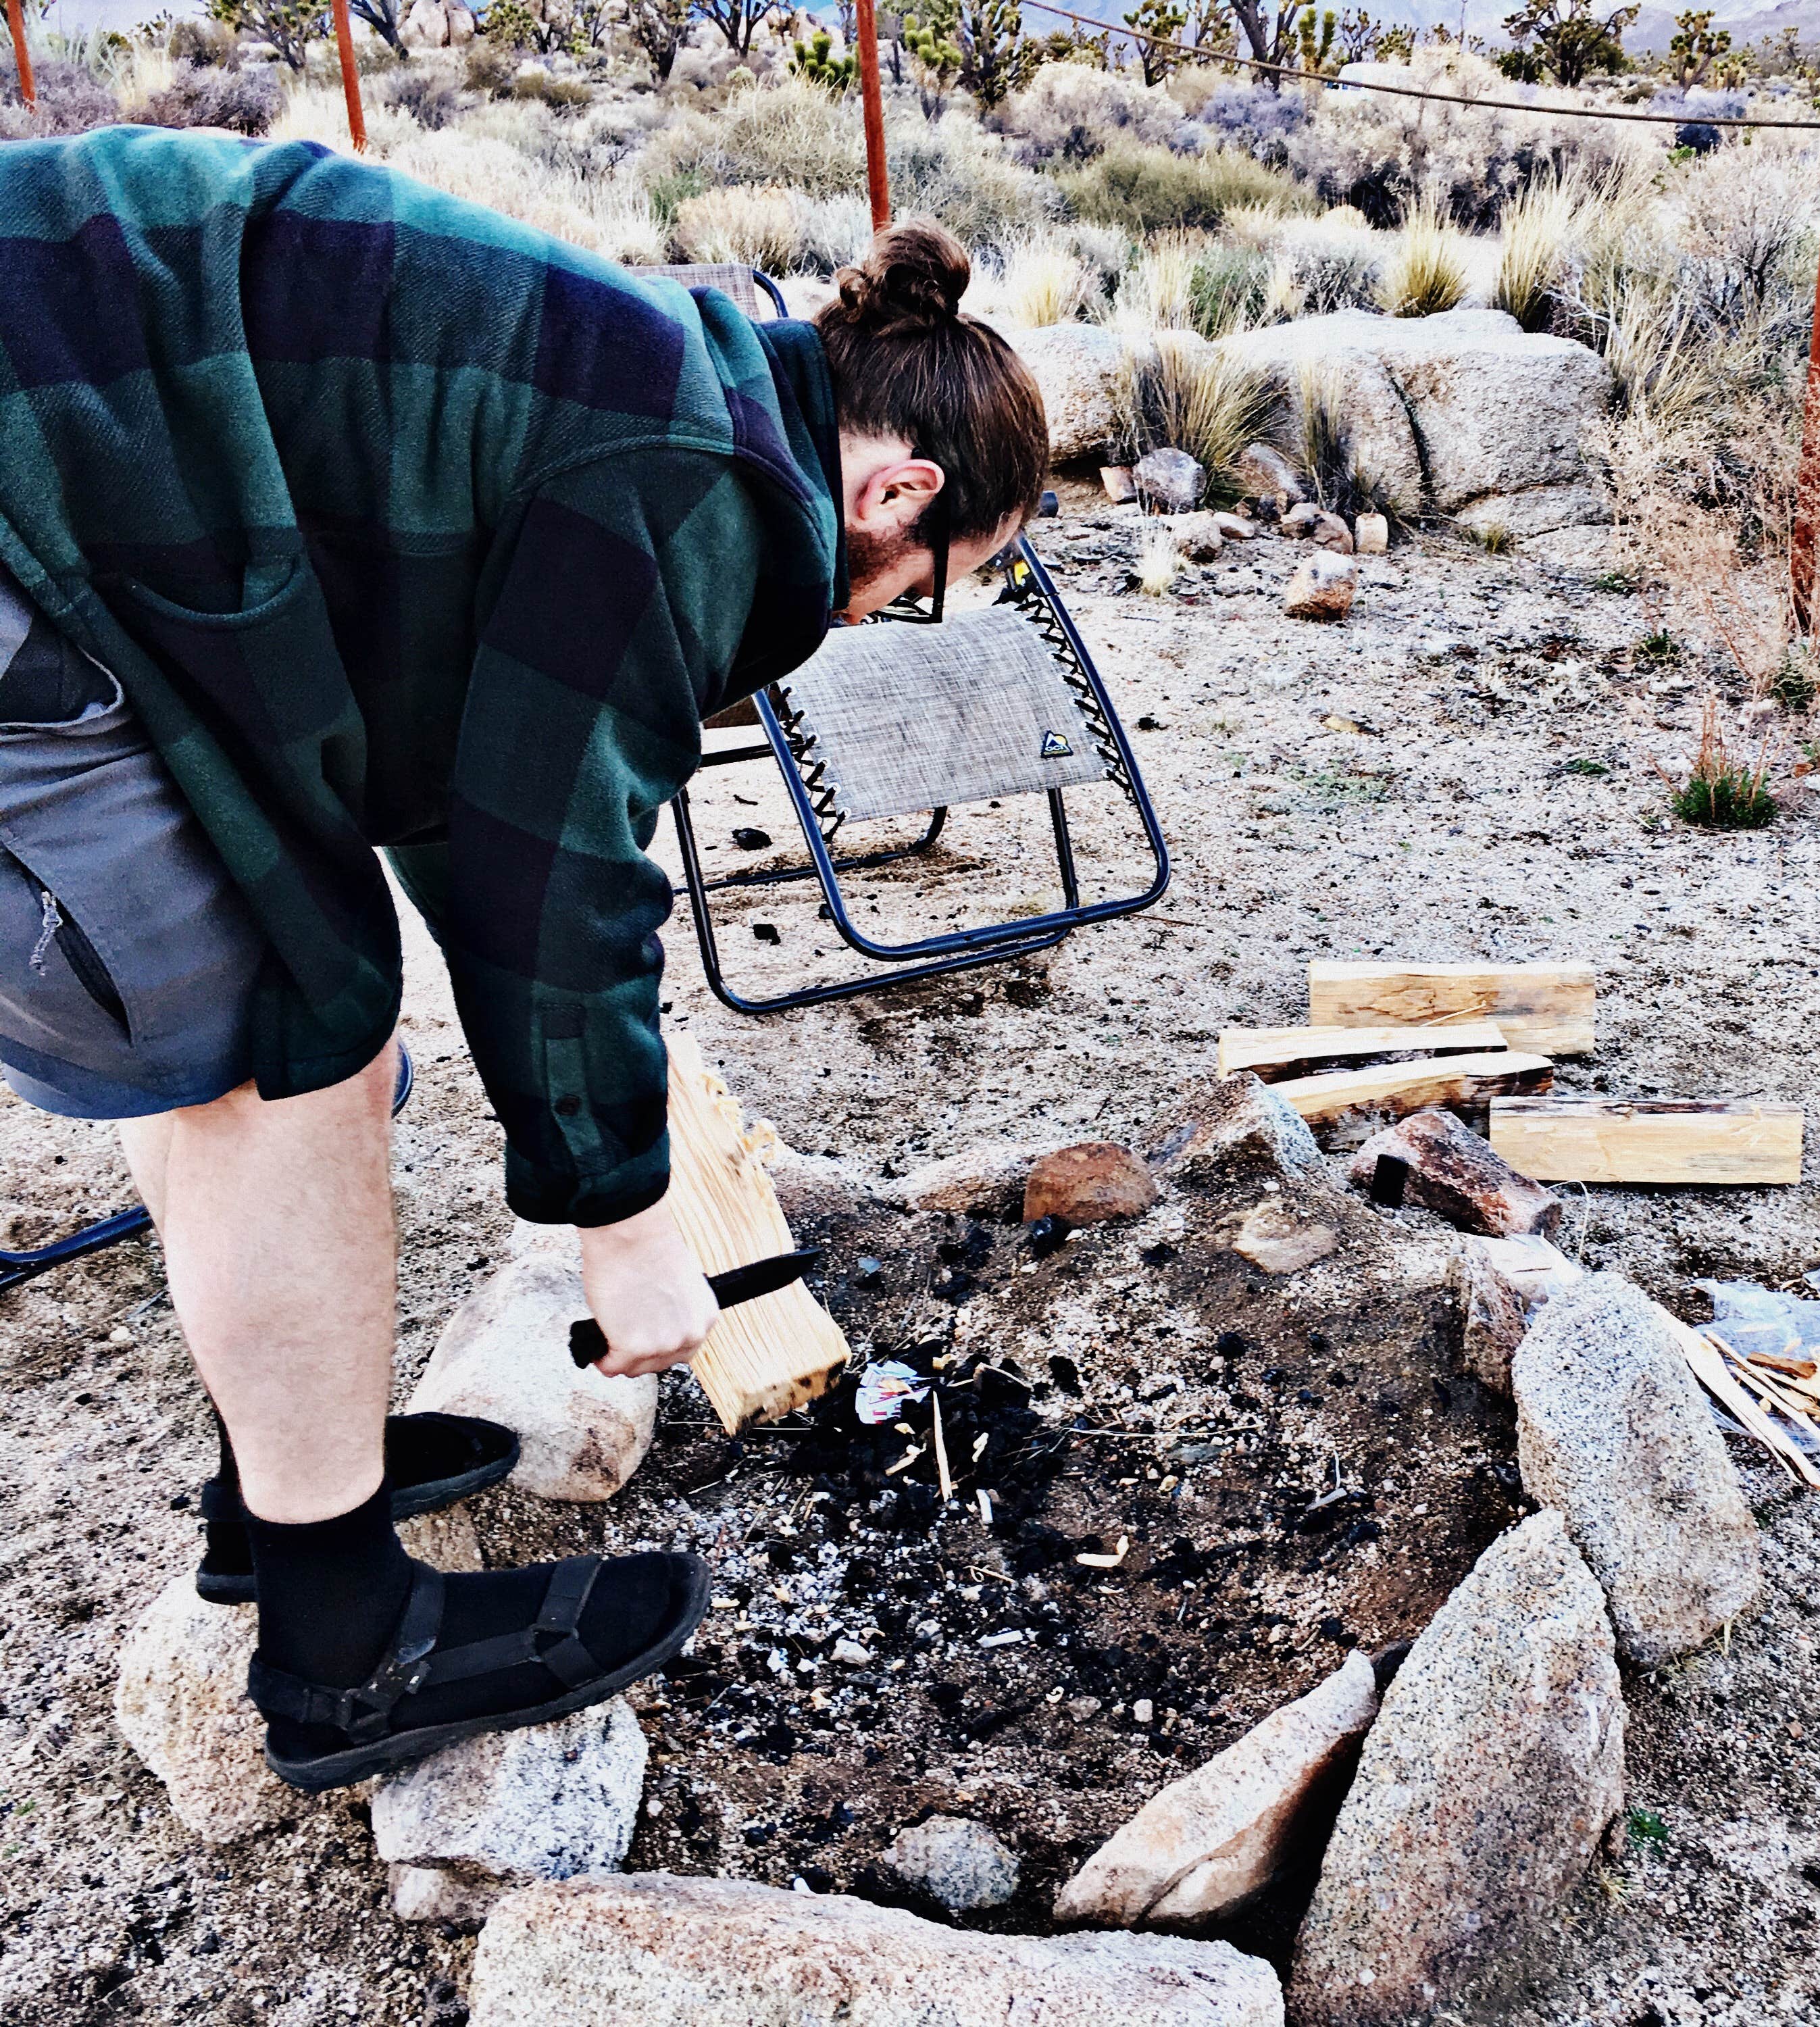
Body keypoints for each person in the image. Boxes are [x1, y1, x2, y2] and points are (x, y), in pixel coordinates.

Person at [0, 128, 1049, 1790]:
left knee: (295, 1012)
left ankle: (279, 1494)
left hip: (92, 458)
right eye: (927, 593)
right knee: (294, 1047)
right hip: (36, 505)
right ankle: (343, 1646)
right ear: (899, 492)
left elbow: (462, 777)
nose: (877, 621)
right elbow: (552, 867)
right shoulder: (699, 482)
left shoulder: (673, 382)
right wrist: (622, 1218)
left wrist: (572, 1134)